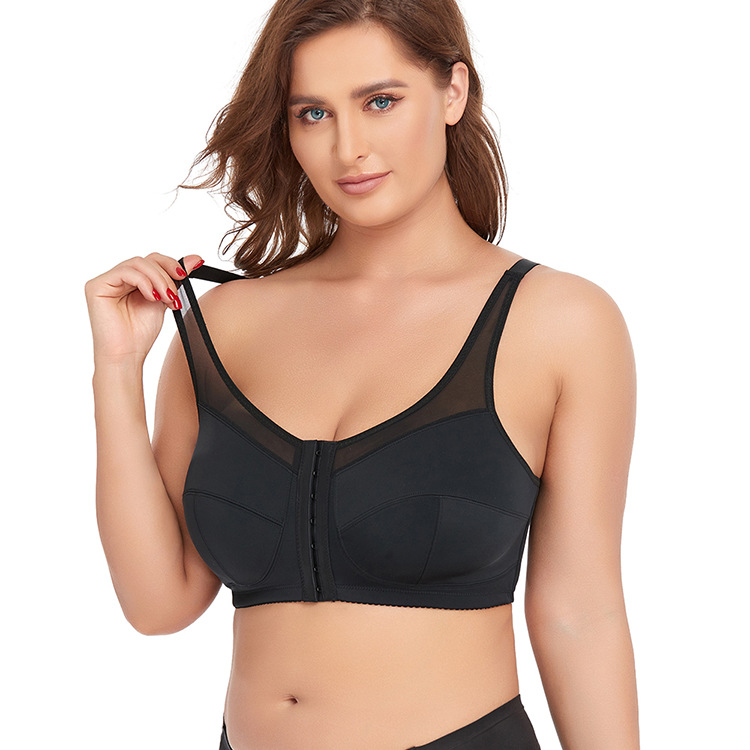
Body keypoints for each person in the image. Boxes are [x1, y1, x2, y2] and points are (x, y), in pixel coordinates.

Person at [84, 0, 639, 747]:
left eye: (381, 101)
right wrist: (117, 371)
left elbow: (581, 611)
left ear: (453, 91)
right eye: (313, 113)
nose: (349, 148)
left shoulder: (558, 322)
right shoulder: (222, 327)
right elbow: (160, 603)